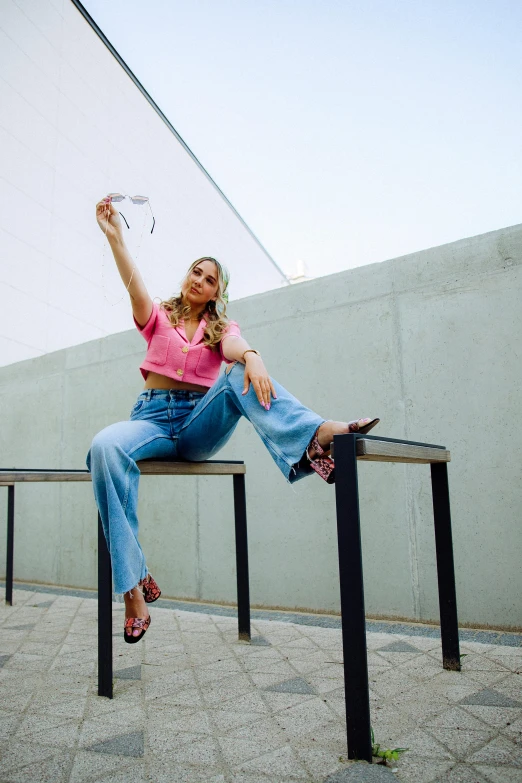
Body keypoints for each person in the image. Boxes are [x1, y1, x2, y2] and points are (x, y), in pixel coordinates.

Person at [87, 195, 379, 643]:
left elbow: (233, 347)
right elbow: (134, 287)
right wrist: (115, 239)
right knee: (103, 447)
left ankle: (314, 436)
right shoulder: (159, 317)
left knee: (237, 373)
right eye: (196, 272)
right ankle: (133, 588)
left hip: (197, 424)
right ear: (186, 277)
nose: (200, 281)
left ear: (216, 293)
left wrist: (253, 357)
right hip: (148, 422)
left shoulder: (221, 328)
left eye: (210, 280)